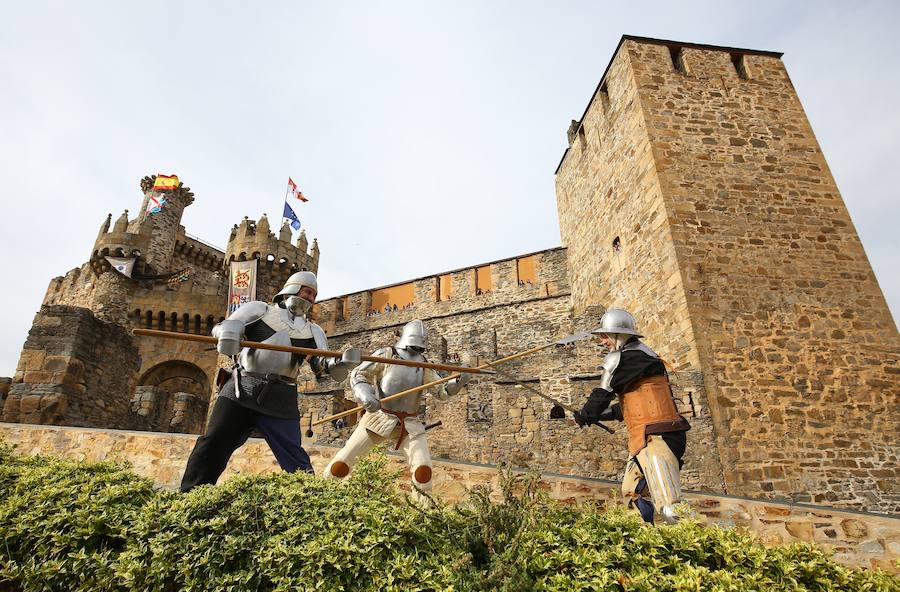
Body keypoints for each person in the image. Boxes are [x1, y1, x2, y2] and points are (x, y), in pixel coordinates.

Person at [180, 271, 361, 492]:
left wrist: (342, 364)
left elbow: (322, 368)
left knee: (295, 459)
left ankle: (309, 502)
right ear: (292, 288)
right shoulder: (260, 310)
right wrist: (230, 331)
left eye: (314, 294)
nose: (311, 297)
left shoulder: (313, 331)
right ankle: (190, 495)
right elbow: (221, 328)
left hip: (281, 396)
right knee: (213, 444)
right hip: (242, 388)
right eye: (307, 291)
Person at [324, 319, 472, 504]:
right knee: (343, 463)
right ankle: (322, 495)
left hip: (410, 424)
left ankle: (423, 513)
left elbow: (440, 392)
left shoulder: (423, 363)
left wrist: (457, 382)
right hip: (379, 418)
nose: (417, 347)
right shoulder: (387, 355)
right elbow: (359, 374)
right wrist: (365, 394)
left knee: (423, 470)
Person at [573, 309, 691, 524]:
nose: (603, 341)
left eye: (606, 335)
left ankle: (697, 549)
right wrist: (591, 415)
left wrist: (586, 414)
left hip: (657, 438)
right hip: (645, 438)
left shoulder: (623, 358)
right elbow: (626, 408)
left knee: (671, 507)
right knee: (632, 493)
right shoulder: (642, 357)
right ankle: (649, 540)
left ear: (620, 335)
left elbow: (602, 394)